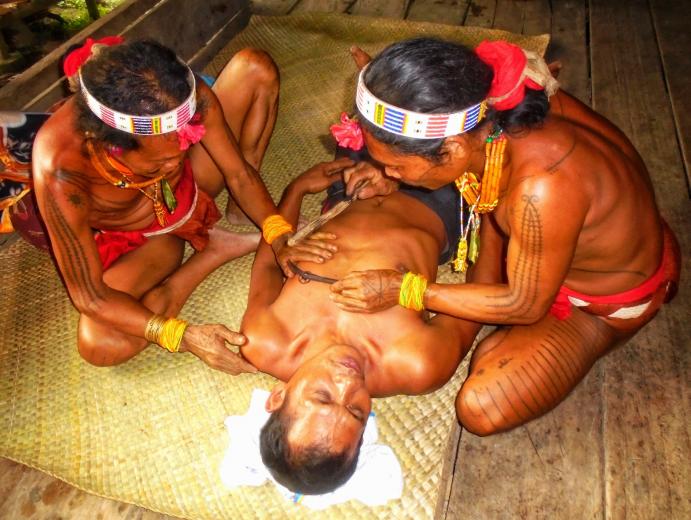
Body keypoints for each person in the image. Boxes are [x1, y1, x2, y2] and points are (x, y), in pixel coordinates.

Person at [328, 38, 681, 436]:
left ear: (452, 149)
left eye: (394, 165)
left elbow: (523, 305)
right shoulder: (501, 108)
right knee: (478, 312)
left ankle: (610, 329)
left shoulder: (540, 190)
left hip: (601, 299)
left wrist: (405, 289)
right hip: (587, 236)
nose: (388, 173)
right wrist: (393, 173)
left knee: (482, 406)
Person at [30, 38, 309, 374]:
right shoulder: (61, 169)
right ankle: (213, 252)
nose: (174, 165)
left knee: (255, 66)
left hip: (195, 189)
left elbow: (237, 173)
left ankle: (239, 213)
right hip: (150, 240)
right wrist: (181, 335)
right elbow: (90, 297)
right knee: (100, 345)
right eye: (158, 164)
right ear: (106, 143)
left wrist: (278, 235)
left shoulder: (181, 101)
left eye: (183, 148)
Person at [239, 156, 480, 494]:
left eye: (323, 396)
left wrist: (297, 189)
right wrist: (489, 207)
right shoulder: (416, 364)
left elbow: (268, 265)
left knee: (377, 128)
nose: (347, 383)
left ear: (278, 396)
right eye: (355, 410)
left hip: (352, 186)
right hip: (440, 196)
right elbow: (481, 292)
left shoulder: (264, 339)